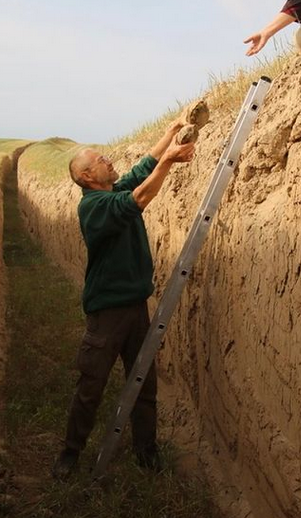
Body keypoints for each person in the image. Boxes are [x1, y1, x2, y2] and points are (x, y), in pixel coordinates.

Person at [52, 119, 195, 480]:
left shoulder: (111, 190)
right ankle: (70, 453)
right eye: (100, 160)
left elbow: (140, 172)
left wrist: (170, 134)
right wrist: (169, 163)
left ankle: (147, 452)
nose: (108, 160)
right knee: (91, 385)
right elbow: (141, 197)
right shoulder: (94, 207)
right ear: (87, 177)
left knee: (143, 381)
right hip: (107, 313)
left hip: (136, 308)